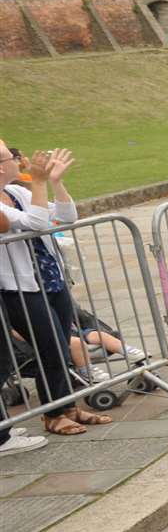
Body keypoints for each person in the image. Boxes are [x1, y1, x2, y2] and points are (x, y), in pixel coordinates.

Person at [0, 145, 101, 446]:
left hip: (50, 278)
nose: (20, 161)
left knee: (61, 347)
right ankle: (53, 413)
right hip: (20, 286)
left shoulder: (16, 193)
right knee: (51, 347)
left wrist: (56, 182)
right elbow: (37, 223)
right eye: (12, 157)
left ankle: (67, 406)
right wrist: (40, 183)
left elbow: (66, 217)